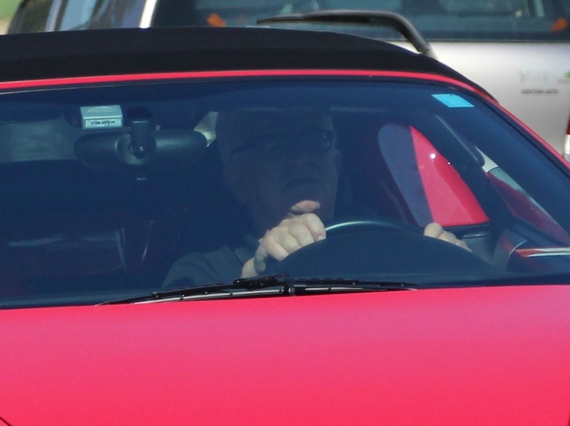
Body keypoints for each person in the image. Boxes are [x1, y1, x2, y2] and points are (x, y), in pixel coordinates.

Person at [160, 108, 467, 290]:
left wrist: (456, 266)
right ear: (237, 179)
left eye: (315, 140)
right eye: (273, 145)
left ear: (336, 163)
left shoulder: (391, 240)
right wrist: (254, 276)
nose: (300, 158)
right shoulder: (202, 271)